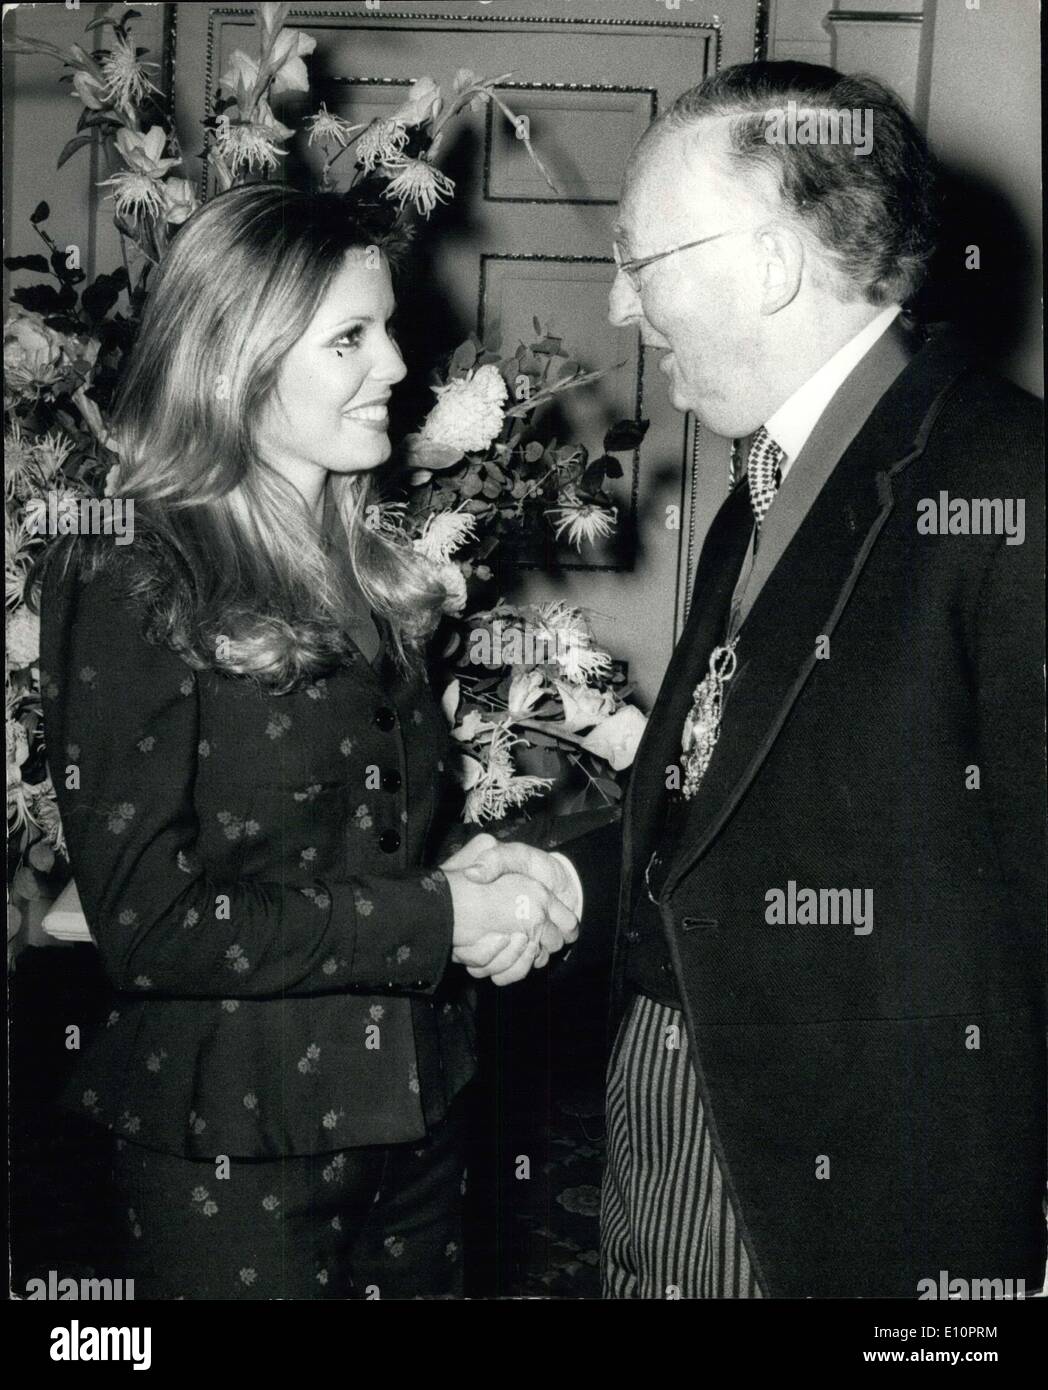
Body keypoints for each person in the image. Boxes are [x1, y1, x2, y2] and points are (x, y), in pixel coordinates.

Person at [467, 62, 1046, 1298]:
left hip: (875, 1196)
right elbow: (737, 801)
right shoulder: (770, 480)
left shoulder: (1014, 487)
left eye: (643, 260)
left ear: (772, 263)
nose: (620, 304)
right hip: (682, 1121)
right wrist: (572, 880)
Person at [32, 183, 579, 1300]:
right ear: (236, 361)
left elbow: (349, 840)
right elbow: (153, 926)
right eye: (349, 338)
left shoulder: (369, 569)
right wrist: (439, 916)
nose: (395, 365)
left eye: (388, 330)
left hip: (417, 1114)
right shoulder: (130, 569)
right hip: (231, 1151)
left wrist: (468, 875)